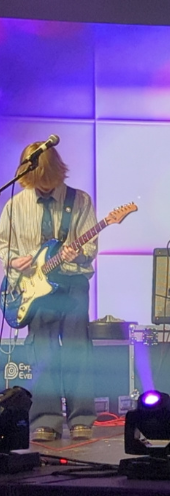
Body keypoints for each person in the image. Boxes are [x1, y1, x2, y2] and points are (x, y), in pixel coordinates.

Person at [0, 142, 98, 441]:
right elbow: (3, 245)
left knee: (77, 350)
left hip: (72, 283)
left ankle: (81, 418)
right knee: (42, 352)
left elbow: (90, 248)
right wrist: (13, 260)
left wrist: (77, 254)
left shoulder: (79, 200)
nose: (43, 188)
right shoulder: (15, 205)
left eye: (48, 182)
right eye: (36, 182)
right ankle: (45, 419)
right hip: (33, 288)